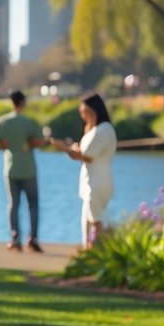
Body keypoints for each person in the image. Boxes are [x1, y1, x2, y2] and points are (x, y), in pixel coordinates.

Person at [52, 92, 117, 248]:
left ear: (94, 111)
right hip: (93, 180)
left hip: (97, 182)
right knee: (88, 222)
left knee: (96, 221)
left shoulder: (104, 129)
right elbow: (83, 151)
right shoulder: (96, 130)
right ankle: (92, 254)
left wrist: (65, 148)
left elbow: (86, 156)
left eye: (85, 112)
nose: (83, 116)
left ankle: (100, 253)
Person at [0, 90, 47, 252]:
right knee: (33, 205)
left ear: (11, 102)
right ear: (23, 102)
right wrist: (28, 144)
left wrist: (7, 144)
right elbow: (38, 141)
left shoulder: (1, 122)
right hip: (29, 169)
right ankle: (33, 239)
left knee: (13, 205)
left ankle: (15, 239)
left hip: (11, 169)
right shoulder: (30, 122)